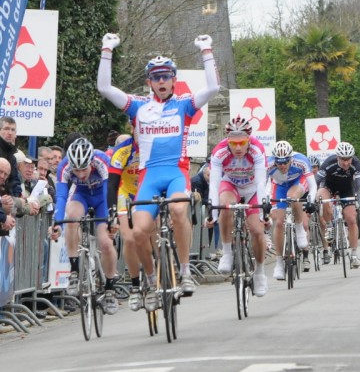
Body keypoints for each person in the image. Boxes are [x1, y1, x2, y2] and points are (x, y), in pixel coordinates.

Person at [97, 32, 220, 298]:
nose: (162, 81)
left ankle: (185, 272)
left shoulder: (184, 105)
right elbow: (105, 88)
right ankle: (151, 279)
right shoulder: (138, 106)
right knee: (139, 233)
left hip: (177, 173)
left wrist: (206, 51)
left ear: (174, 80)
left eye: (166, 76)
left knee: (178, 211)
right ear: (149, 82)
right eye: (156, 77)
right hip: (149, 176)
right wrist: (107, 50)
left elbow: (213, 88)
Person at [49, 137, 119, 315]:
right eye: (76, 170)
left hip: (102, 198)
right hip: (82, 195)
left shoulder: (102, 160)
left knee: (105, 242)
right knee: (71, 216)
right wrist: (57, 223)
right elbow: (62, 197)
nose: (80, 174)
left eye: (84, 169)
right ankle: (74, 270)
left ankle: (110, 289)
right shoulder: (64, 166)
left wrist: (112, 218)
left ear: (91, 162)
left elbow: (109, 190)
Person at [209, 116, 270, 296]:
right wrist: (212, 213)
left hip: (252, 189)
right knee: (225, 205)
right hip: (231, 185)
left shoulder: (257, 150)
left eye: (242, 143)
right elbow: (213, 184)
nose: (237, 148)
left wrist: (263, 212)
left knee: (257, 231)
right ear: (227, 140)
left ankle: (259, 272)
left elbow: (261, 184)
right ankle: (227, 252)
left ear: (249, 140)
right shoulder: (219, 152)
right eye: (233, 143)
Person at [107, 133, 147, 311]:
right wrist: (111, 213)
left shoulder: (155, 145)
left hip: (146, 191)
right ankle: (136, 286)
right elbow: (112, 184)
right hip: (126, 193)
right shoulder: (123, 151)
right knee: (129, 239)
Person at [267, 140, 317, 277]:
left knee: (293, 196)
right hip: (279, 186)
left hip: (297, 182)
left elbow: (313, 185)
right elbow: (263, 184)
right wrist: (265, 202)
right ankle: (278, 263)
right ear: (274, 160)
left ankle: (300, 228)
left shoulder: (301, 160)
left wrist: (311, 201)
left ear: (291, 159)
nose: (282, 165)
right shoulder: (268, 164)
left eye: (285, 162)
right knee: (278, 222)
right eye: (279, 162)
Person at [315, 141, 360, 267]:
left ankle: (354, 254)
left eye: (348, 159)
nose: (346, 162)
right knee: (321, 196)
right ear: (337, 157)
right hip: (329, 186)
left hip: (346, 190)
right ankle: (330, 225)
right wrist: (312, 199)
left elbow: (359, 187)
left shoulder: (357, 164)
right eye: (343, 159)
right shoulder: (328, 163)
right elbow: (316, 182)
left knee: (352, 219)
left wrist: (359, 203)